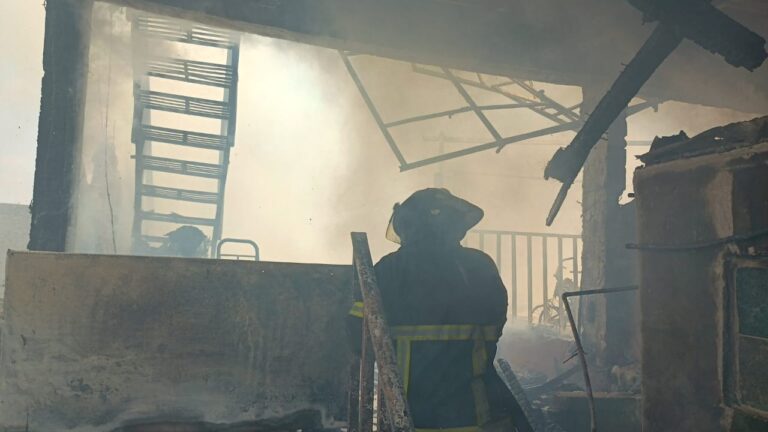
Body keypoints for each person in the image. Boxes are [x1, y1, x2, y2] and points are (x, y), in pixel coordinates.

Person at [349, 188, 533, 432]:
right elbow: (494, 327)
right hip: (474, 416)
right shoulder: (479, 266)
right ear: (454, 226)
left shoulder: (387, 271)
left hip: (408, 416)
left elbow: (357, 338)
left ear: (407, 226)